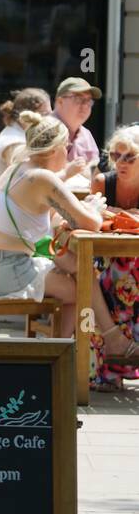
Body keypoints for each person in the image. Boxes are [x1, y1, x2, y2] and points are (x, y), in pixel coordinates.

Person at [0, 113, 110, 348]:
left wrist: (74, 215)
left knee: (75, 267)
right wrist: (94, 207)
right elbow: (91, 224)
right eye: (67, 147)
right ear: (55, 149)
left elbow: (47, 216)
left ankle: (65, 349)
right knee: (79, 291)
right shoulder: (42, 178)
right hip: (3, 270)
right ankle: (59, 354)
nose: (69, 152)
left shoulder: (17, 167)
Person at [87, 124, 139, 389]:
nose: (121, 163)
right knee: (116, 279)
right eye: (116, 156)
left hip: (134, 260)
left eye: (129, 157)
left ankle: (116, 363)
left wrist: (118, 214)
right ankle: (112, 364)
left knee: (126, 278)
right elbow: (91, 217)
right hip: (105, 257)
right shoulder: (102, 182)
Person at [0, 88, 52, 205]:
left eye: (50, 113)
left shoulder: (19, 133)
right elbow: (24, 175)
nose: (50, 120)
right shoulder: (13, 142)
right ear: (27, 116)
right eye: (45, 115)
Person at [53, 77, 102, 169]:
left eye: (89, 101)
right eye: (78, 99)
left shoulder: (86, 134)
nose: (85, 105)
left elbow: (94, 171)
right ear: (60, 101)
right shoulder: (43, 130)